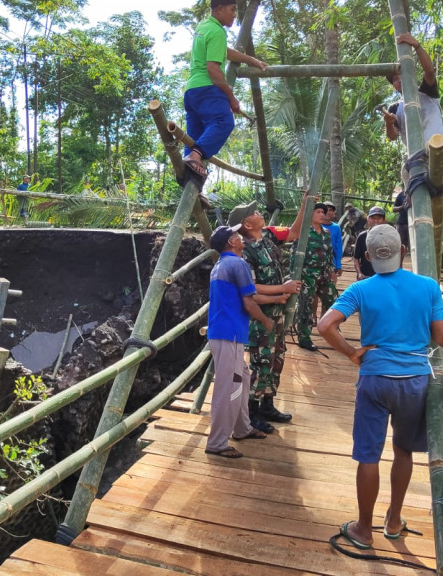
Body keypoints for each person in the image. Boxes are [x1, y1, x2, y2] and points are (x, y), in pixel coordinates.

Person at [317, 224, 443, 550]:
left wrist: (352, 353)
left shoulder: (362, 289)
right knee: (403, 450)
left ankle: (363, 529)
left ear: (366, 257)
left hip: (375, 379)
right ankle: (393, 521)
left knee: (369, 456)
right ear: (402, 250)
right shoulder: (428, 286)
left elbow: (325, 325)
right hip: (414, 381)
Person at [228, 191, 310, 432]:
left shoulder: (269, 235)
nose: (258, 213)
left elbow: (294, 232)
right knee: (261, 361)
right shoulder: (243, 252)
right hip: (259, 316)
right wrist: (281, 289)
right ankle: (251, 411)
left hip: (277, 311)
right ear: (247, 224)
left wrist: (305, 204)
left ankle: (267, 403)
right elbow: (250, 288)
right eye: (253, 213)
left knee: (276, 359)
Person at [204, 225, 275, 458]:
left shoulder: (220, 266)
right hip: (230, 334)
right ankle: (217, 442)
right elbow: (249, 302)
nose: (241, 237)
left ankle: (242, 428)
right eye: (237, 235)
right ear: (231, 242)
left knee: (242, 377)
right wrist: (266, 321)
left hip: (222, 332)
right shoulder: (238, 264)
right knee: (229, 388)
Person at [182, 0, 267, 179]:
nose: (234, 14)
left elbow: (223, 51)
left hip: (192, 92)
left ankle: (194, 190)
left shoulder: (204, 27)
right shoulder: (217, 31)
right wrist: (231, 97)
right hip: (207, 89)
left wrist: (251, 60)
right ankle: (195, 156)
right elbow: (213, 69)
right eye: (232, 9)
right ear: (219, 9)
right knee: (223, 122)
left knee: (193, 139)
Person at [383, 33, 443, 187]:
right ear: (394, 86)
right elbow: (392, 136)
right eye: (396, 80)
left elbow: (430, 72)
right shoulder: (395, 108)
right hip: (415, 157)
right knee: (414, 195)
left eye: (402, 76)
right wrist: (389, 123)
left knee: (440, 188)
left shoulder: (426, 92)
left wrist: (417, 46)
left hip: (440, 148)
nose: (400, 81)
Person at [292, 202, 339, 351]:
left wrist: (332, 270)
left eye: (322, 212)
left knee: (334, 301)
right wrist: (294, 276)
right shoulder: (303, 231)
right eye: (318, 211)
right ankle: (304, 338)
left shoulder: (326, 233)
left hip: (324, 275)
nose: (321, 214)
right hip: (308, 275)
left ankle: (329, 329)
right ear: (310, 214)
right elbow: (295, 254)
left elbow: (329, 252)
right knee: (305, 306)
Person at [353, 207, 388, 280]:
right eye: (373, 218)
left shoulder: (388, 237)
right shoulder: (362, 236)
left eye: (379, 218)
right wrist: (359, 273)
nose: (376, 221)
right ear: (368, 219)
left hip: (383, 276)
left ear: (384, 220)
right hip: (365, 276)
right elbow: (356, 258)